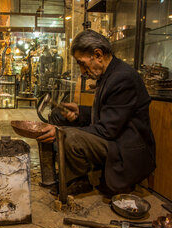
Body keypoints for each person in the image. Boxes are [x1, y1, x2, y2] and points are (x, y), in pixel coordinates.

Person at [37, 29, 156, 196]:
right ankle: (76, 178)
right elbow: (111, 113)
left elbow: (108, 130)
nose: (82, 71)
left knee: (69, 136)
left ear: (98, 55)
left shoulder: (123, 77)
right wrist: (80, 112)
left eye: (82, 63)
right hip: (115, 138)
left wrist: (61, 132)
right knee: (61, 121)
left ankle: (80, 181)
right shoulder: (111, 74)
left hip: (127, 151)